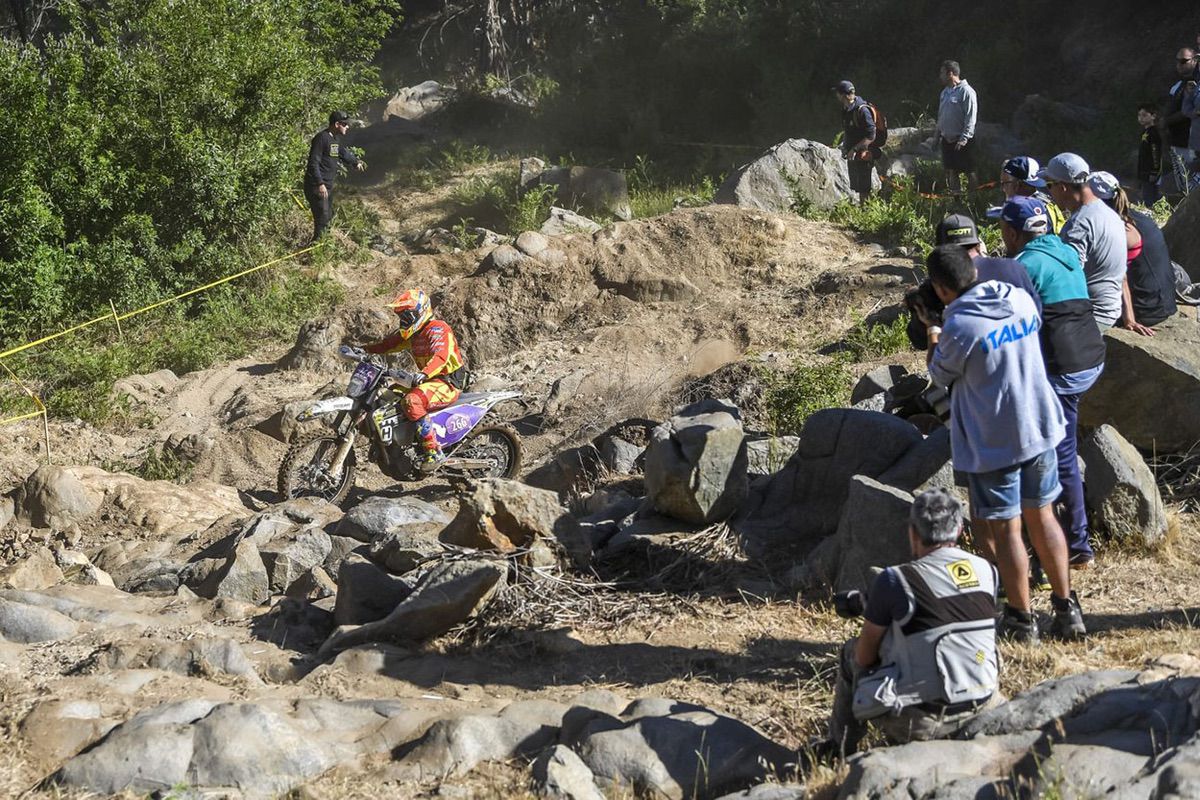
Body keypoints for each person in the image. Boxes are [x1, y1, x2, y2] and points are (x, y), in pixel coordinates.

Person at [914, 244, 1085, 643]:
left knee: (1009, 531)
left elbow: (940, 374)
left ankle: (1022, 619)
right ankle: (1067, 608)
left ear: (941, 289)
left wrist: (933, 330)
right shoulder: (1019, 299)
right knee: (1043, 517)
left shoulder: (960, 328)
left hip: (995, 442)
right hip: (1040, 426)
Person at [822, 488, 1001, 756]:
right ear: (961, 530)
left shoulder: (896, 580)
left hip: (926, 720)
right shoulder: (988, 570)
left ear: (912, 532)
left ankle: (839, 747)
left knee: (851, 650)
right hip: (986, 703)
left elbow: (864, 656)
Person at [999, 196, 1106, 569]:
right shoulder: (1062, 250)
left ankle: (1077, 545)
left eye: (1002, 227)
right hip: (1091, 357)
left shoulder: (1024, 266)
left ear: (1012, 233)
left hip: (1064, 368)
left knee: (1059, 455)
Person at [363, 289, 467, 471]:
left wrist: (425, 374)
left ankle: (433, 452)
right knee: (388, 394)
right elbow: (388, 345)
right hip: (428, 381)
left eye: (406, 315)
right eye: (401, 316)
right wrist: (363, 350)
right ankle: (396, 444)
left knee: (412, 401)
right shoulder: (413, 333)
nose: (403, 320)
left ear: (420, 312)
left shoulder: (437, 329)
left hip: (447, 382)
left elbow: (441, 356)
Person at [905, 213, 1040, 350]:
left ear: (941, 251)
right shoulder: (1014, 267)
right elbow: (1037, 313)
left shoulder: (941, 285)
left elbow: (920, 341)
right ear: (978, 244)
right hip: (1026, 356)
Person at [1040, 153, 1127, 329]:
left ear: (1062, 187)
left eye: (1049, 186)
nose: (1049, 193)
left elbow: (1065, 280)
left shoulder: (1079, 225)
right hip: (1111, 310)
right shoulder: (1107, 212)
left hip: (1091, 317)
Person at [1088, 172, 1179, 332]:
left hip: (1146, 310)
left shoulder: (1116, 228)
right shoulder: (1139, 218)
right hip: (1166, 301)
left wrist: (1129, 319)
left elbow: (1118, 277)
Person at [305, 110, 366, 242]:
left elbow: (343, 153)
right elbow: (313, 163)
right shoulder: (321, 138)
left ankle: (322, 247)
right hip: (317, 187)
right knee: (323, 218)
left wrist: (355, 162)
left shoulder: (334, 140)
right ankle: (316, 250)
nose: (347, 127)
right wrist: (319, 184)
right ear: (337, 124)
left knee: (328, 216)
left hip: (327, 186)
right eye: (345, 124)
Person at [935, 60, 978, 193]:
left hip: (962, 140)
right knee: (951, 171)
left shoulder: (967, 91)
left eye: (942, 73)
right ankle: (956, 200)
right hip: (947, 139)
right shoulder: (944, 93)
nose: (940, 76)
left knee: (969, 171)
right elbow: (941, 116)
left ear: (951, 74)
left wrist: (964, 139)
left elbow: (971, 117)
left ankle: (974, 199)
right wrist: (936, 137)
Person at [1161, 48, 1197, 199]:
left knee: (1193, 188)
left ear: (1195, 61)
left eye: (1184, 61)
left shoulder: (1196, 84)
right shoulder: (1178, 86)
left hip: (1192, 142)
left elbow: (1190, 111)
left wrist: (1165, 121)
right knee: (1184, 187)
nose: (1180, 64)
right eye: (1178, 61)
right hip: (1177, 142)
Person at [834, 80, 878, 204]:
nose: (836, 96)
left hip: (863, 154)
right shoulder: (846, 109)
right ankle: (863, 213)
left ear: (843, 95)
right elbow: (848, 130)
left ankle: (868, 214)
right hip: (853, 155)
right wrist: (845, 146)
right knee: (858, 187)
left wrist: (855, 149)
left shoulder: (862, 110)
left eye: (837, 93)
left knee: (865, 188)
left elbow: (871, 135)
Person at [999, 157, 1065, 234]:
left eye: (1005, 183)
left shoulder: (1030, 211)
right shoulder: (1042, 201)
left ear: (1018, 185)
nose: (1003, 189)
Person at [1137, 103, 1166, 206]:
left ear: (1153, 116)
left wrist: (1154, 171)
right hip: (1144, 171)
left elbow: (1156, 153)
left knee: (1150, 197)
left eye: (1144, 115)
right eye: (1139, 115)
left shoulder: (1154, 133)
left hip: (1150, 172)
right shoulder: (1145, 132)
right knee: (1146, 195)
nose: (1141, 118)